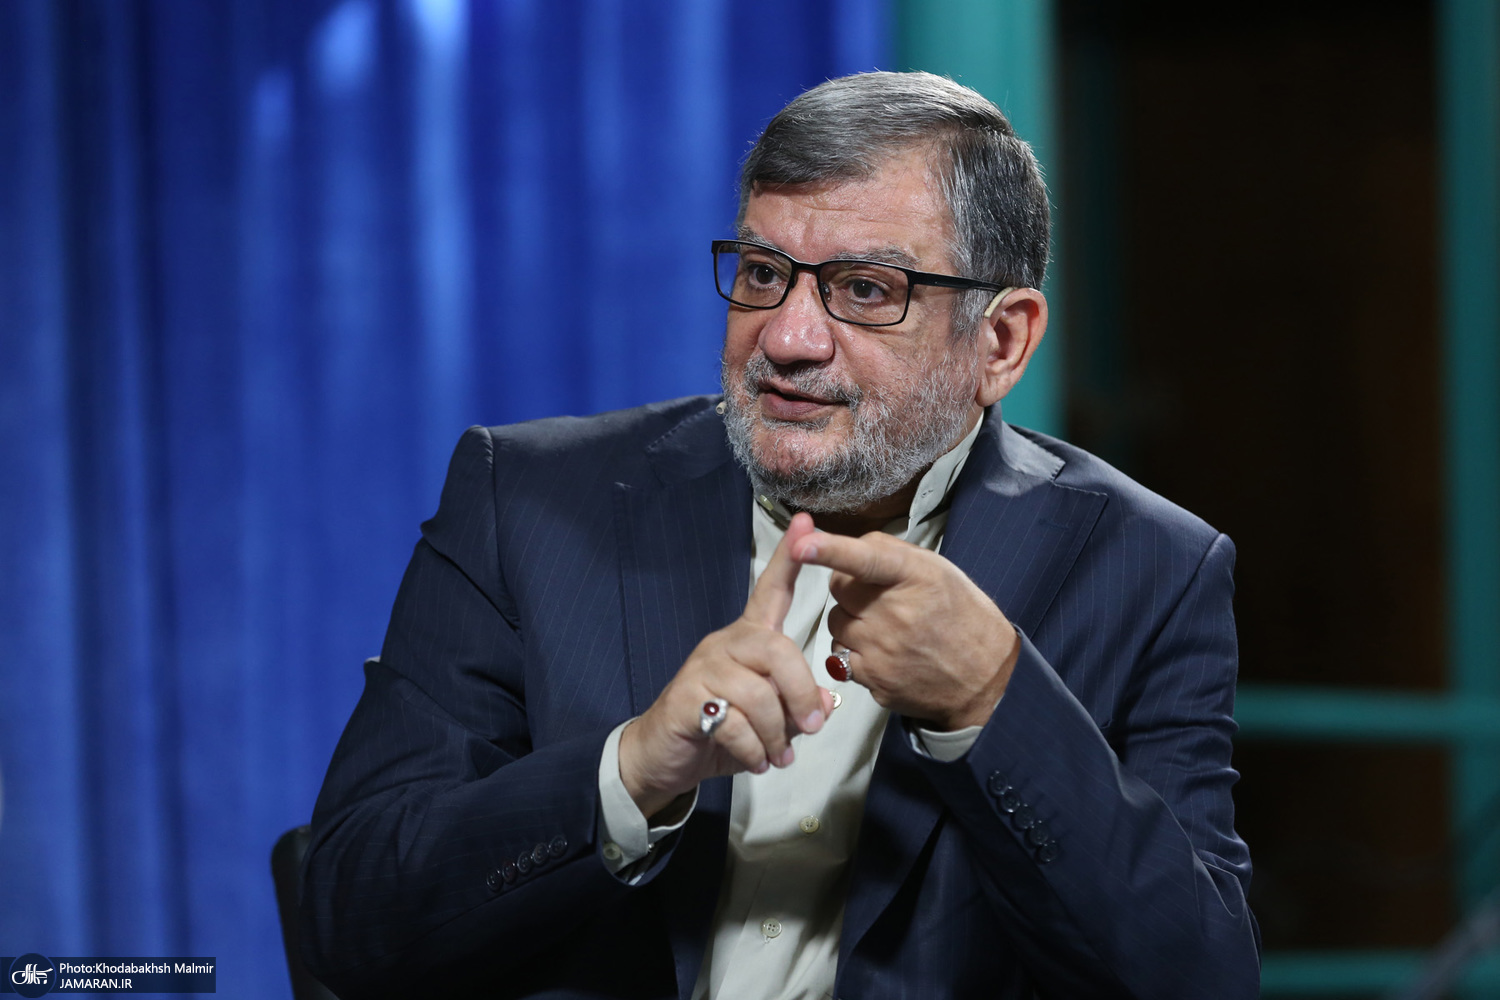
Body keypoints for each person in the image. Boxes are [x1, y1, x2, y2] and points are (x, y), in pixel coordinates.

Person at [301, 71, 1260, 999]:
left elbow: (1194, 976)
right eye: (764, 274)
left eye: (867, 289)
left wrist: (992, 701)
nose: (787, 338)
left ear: (1001, 342)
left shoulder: (1147, 568)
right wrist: (633, 770)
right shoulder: (527, 501)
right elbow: (350, 917)